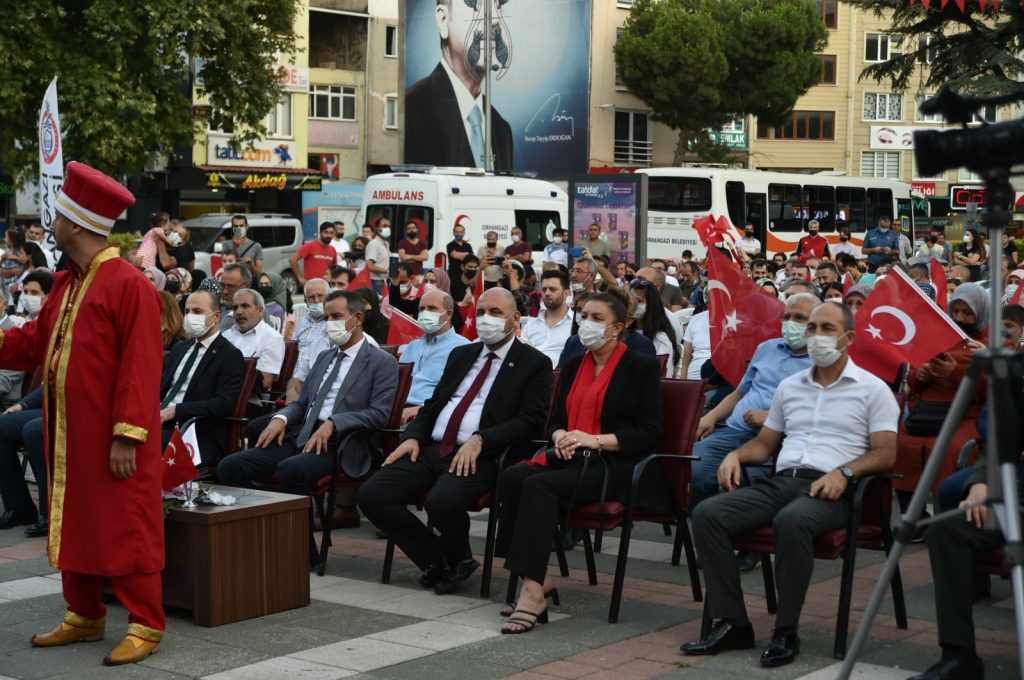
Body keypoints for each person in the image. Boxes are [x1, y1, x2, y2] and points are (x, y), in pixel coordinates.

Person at [0, 162, 166, 664]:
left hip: (114, 437)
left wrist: (127, 435)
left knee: (127, 523)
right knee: (75, 520)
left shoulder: (128, 283)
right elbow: (34, 344)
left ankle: (146, 623)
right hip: (69, 433)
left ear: (76, 223)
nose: (52, 222)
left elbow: (141, 366)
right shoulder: (68, 284)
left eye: (59, 215)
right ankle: (84, 615)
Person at [681, 302, 899, 668]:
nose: (815, 336)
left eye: (826, 329)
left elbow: (885, 453)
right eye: (811, 328)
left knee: (792, 520)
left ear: (848, 338)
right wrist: (736, 456)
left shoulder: (872, 390)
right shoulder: (791, 387)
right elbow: (764, 445)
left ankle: (786, 630)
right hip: (783, 481)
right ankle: (733, 621)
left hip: (834, 489)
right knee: (708, 514)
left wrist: (845, 472)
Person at [358, 288, 552, 595]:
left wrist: (482, 439)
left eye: (496, 313)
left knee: (441, 502)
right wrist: (413, 436)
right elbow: (434, 404)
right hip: (433, 446)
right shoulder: (462, 354)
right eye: (481, 312)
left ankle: (449, 560)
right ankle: (444, 559)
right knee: (372, 494)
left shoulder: (533, 362)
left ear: (515, 318)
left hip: (482, 454)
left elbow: (530, 420)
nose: (486, 319)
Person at [495, 292, 665, 633]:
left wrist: (593, 440)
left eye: (597, 318)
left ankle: (532, 592)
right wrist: (560, 435)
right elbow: (556, 420)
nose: (587, 323)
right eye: (584, 316)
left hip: (613, 464)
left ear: (618, 327)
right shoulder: (573, 365)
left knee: (539, 486)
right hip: (570, 456)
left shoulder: (640, 367)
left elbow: (650, 432)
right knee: (513, 476)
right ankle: (538, 576)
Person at [218, 290, 399, 495]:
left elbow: (379, 414)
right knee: (230, 466)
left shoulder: (381, 362)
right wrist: (281, 418)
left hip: (341, 443)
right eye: (327, 317)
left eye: (336, 317)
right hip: (302, 434)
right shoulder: (324, 356)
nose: (329, 323)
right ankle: (262, 514)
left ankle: (297, 517)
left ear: (357, 319)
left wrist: (334, 422)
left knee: (290, 469)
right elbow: (302, 403)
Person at [690, 294, 817, 509]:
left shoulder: (823, 361)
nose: (791, 323)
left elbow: (820, 410)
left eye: (800, 318)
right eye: (787, 317)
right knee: (693, 468)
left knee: (742, 482)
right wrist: (710, 417)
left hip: (779, 440)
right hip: (734, 430)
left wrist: (773, 418)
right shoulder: (766, 348)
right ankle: (703, 521)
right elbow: (740, 393)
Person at [404, 0, 513, 170]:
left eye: (498, 4)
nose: (494, 19)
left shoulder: (502, 130)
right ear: (443, 21)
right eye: (475, 4)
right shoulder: (409, 111)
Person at [158, 290, 244, 467]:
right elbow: (162, 389)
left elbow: (223, 404)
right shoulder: (180, 348)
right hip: (159, 419)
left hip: (194, 428)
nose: (190, 316)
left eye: (197, 311)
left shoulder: (229, 355)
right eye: (187, 311)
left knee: (147, 441)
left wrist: (176, 410)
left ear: (216, 316)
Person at [400, 290, 470, 423]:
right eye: (422, 309)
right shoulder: (412, 346)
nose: (425, 313)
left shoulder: (463, 348)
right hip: (398, 410)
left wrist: (421, 409)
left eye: (432, 308)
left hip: (430, 415)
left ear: (448, 314)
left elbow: (460, 395)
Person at [222, 288, 286, 401]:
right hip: (219, 395)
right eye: (235, 307)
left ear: (260, 311)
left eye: (245, 306)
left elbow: (265, 383)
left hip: (247, 402)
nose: (238, 312)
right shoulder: (226, 335)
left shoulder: (272, 338)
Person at [0, 386, 47, 537]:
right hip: (53, 407)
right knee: (1, 426)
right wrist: (22, 405)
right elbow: (50, 382)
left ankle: (51, 512)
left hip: (81, 410)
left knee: (33, 431)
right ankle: (20, 508)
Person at [521, 269, 573, 367]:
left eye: (552, 289)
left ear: (566, 293)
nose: (547, 293)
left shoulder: (576, 325)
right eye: (544, 289)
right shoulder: (531, 325)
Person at [629, 278, 678, 377]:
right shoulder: (622, 333)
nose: (633, 305)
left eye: (638, 301)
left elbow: (659, 375)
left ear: (651, 304)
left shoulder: (660, 339)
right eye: (630, 301)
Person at [290, 222, 338, 287]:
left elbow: (334, 268)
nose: (328, 235)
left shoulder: (332, 249)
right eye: (326, 232)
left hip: (326, 286)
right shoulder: (310, 246)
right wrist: (300, 278)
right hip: (311, 286)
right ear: (320, 232)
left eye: (331, 233)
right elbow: (292, 260)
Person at [365, 220, 392, 297]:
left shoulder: (386, 243)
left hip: (385, 280)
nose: (387, 228)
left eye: (389, 226)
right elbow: (370, 266)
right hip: (376, 281)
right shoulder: (373, 244)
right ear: (377, 228)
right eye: (384, 226)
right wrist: (386, 271)